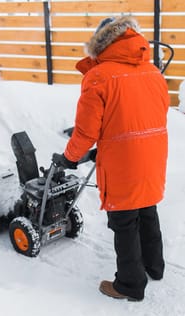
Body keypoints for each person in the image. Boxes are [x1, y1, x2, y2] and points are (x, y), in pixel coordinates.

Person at [52, 16, 169, 301]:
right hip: (153, 155)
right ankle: (154, 267)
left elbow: (86, 130)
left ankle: (130, 284)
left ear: (101, 43)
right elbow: (143, 116)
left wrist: (69, 158)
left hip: (123, 162)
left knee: (124, 220)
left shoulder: (99, 76)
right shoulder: (152, 71)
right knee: (146, 209)